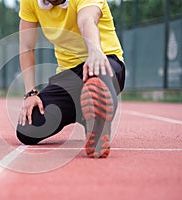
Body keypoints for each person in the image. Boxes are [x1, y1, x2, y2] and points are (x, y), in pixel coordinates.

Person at [16, 0, 125, 158]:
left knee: (99, 79)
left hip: (105, 63)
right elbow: (26, 46)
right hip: (69, 75)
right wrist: (30, 93)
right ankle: (84, 113)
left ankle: (99, 126)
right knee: (28, 129)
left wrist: (94, 50)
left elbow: (86, 20)